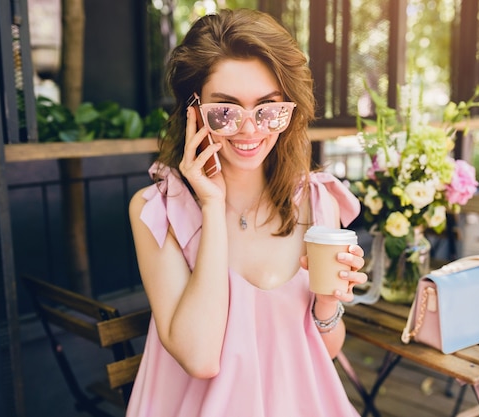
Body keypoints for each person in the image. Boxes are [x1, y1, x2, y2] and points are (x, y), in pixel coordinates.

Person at [127, 8, 367, 416]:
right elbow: (200, 358)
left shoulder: (316, 199)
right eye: (225, 110)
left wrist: (327, 304)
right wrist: (212, 203)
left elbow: (323, 349)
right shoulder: (156, 213)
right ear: (194, 110)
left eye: (268, 108)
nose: (250, 129)